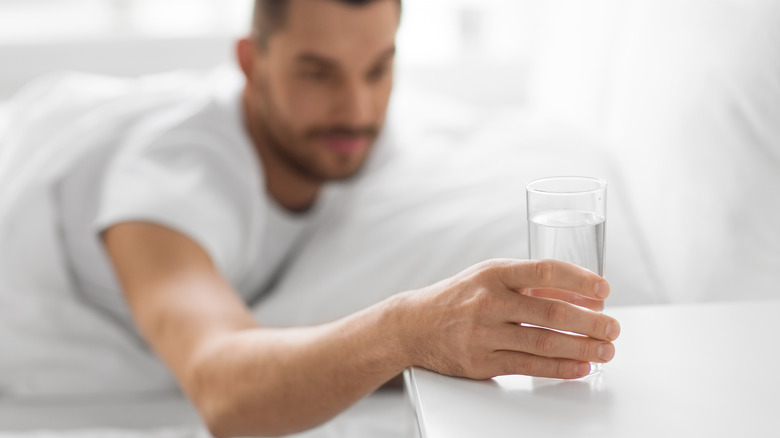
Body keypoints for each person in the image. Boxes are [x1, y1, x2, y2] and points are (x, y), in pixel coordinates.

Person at [40, 0, 621, 436]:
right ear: (251, 61)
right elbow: (221, 392)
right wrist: (407, 331)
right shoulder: (173, 181)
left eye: (377, 70)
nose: (357, 111)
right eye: (317, 73)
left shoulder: (360, 135)